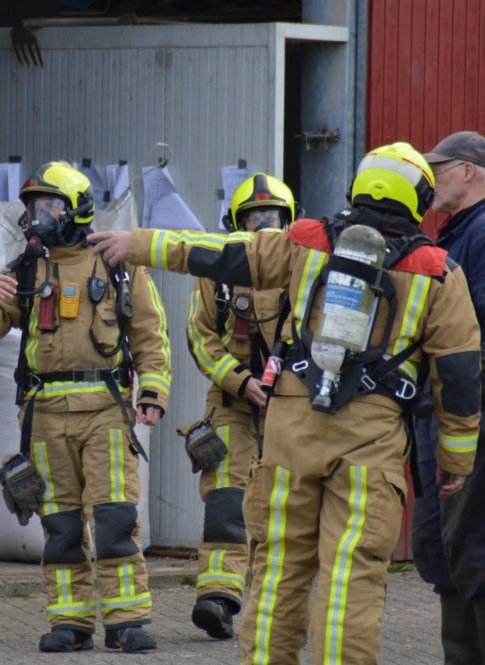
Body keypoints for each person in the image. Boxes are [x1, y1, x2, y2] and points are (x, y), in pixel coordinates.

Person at [89, 143, 483, 664]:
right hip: (371, 441)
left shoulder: (305, 241)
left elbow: (219, 253)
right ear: (420, 199)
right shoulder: (438, 272)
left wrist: (136, 243)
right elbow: (458, 376)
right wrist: (455, 461)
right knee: (350, 574)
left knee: (279, 568)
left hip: (292, 425)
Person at [0, 161, 172, 653]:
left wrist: (153, 394)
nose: (38, 217)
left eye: (50, 206)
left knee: (115, 518)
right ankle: (69, 623)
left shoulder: (117, 264)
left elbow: (150, 339)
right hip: (45, 418)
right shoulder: (27, 269)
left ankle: (127, 621)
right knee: (61, 524)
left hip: (105, 412)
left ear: (76, 211)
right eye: (33, 207)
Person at [405, 130, 485, 664]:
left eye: (438, 168)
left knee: (478, 549)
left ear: (469, 171)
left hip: (472, 419)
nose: (429, 178)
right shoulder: (460, 232)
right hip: (453, 416)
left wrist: (464, 403)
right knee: (443, 549)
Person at [184, 173, 295, 640]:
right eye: (253, 217)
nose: (263, 225)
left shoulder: (306, 267)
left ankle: (275, 602)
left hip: (291, 406)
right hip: (232, 405)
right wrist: (240, 379)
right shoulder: (218, 269)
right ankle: (218, 598)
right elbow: (200, 336)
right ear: (236, 222)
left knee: (284, 505)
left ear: (290, 221)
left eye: (272, 217)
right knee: (227, 501)